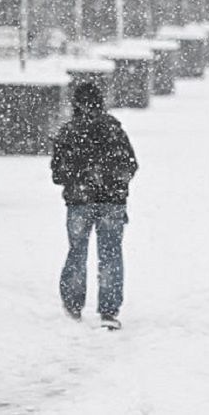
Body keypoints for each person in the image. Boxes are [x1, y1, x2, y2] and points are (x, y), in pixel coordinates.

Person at [51, 82, 138, 330]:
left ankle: (73, 305)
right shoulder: (114, 130)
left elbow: (57, 174)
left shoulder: (68, 132)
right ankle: (109, 310)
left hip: (79, 201)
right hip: (112, 202)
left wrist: (80, 177)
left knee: (77, 252)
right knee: (110, 254)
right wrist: (112, 181)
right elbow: (131, 165)